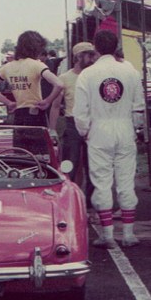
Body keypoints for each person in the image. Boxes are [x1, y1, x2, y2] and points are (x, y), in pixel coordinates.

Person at [74, 30, 145, 249]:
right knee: (125, 180)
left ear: (95, 47)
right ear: (116, 46)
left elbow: (80, 112)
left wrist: (85, 132)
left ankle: (107, 235)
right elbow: (139, 106)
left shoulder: (87, 74)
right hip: (124, 128)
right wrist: (135, 128)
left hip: (99, 131)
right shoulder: (130, 71)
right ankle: (129, 234)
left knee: (101, 182)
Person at [0, 30, 63, 128]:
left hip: (18, 114)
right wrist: (48, 101)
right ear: (36, 48)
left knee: (19, 143)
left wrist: (8, 102)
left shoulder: (8, 67)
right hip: (36, 113)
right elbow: (59, 84)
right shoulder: (37, 65)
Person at [53, 42, 98, 190]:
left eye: (93, 54)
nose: (93, 58)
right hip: (72, 123)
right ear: (78, 56)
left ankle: (92, 205)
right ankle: (67, 198)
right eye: (89, 55)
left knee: (93, 166)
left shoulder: (96, 76)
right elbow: (55, 105)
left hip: (93, 123)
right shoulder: (64, 78)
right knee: (69, 164)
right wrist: (51, 130)